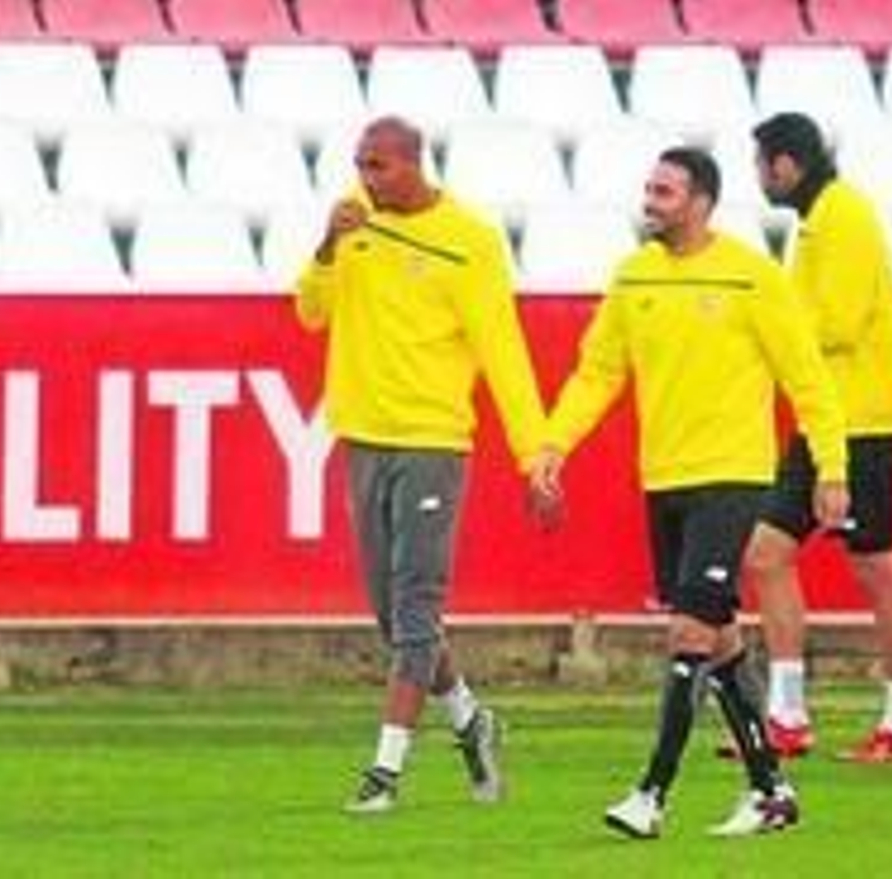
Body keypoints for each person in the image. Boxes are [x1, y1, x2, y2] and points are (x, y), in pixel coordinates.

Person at [529, 147, 849, 839]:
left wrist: (832, 467)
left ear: (701, 200)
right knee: (722, 638)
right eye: (649, 188)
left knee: (687, 633)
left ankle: (652, 794)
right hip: (665, 478)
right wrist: (554, 443)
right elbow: (598, 372)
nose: (652, 201)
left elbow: (808, 378)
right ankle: (772, 791)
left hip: (732, 477)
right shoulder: (634, 276)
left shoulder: (751, 277)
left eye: (665, 191)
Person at [294, 117, 548, 813]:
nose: (366, 179)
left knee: (414, 606)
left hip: (435, 440)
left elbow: (503, 350)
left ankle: (384, 771)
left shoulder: (469, 241)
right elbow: (309, 312)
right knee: (394, 616)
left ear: (413, 164)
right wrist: (326, 245)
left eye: (378, 167)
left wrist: (536, 455)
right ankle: (470, 718)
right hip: (364, 437)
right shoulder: (355, 225)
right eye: (360, 165)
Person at [740, 112, 892, 763]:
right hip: (829, 418)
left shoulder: (842, 218)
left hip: (865, 418)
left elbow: (838, 323)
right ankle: (787, 713)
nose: (759, 177)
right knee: (767, 555)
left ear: (786, 164)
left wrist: (769, 336)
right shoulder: (820, 220)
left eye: (761, 164)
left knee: (874, 564)